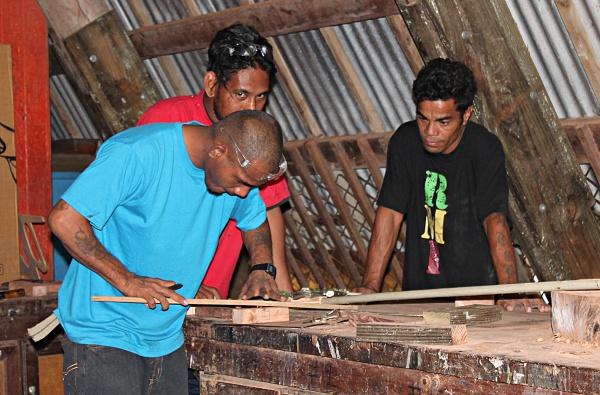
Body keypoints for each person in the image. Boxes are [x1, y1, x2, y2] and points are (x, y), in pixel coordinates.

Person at [48, 110, 287, 394]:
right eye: (241, 181)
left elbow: (254, 219)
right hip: (104, 334)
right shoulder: (137, 153)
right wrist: (128, 280)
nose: (243, 193)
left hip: (167, 338)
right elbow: (64, 219)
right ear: (217, 150)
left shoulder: (232, 177)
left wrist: (262, 267)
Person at [355, 58, 550, 313]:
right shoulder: (404, 142)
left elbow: (495, 219)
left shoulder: (484, 149)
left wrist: (509, 290)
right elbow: (390, 214)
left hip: (476, 297)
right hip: (420, 298)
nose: (430, 132)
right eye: (423, 118)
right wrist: (369, 287)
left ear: (466, 114)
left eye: (443, 122)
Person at [138, 23, 293, 300]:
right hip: (156, 296)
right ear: (211, 84)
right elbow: (136, 219)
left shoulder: (259, 137)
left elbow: (267, 215)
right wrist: (177, 282)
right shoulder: (165, 122)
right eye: (241, 94)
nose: (252, 109)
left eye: (261, 97)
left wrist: (277, 288)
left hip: (213, 301)